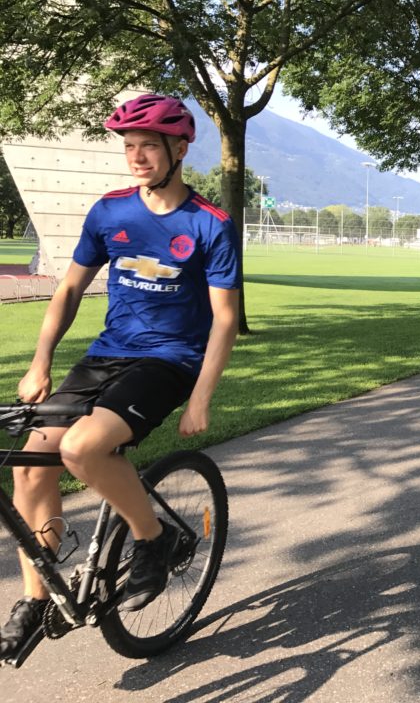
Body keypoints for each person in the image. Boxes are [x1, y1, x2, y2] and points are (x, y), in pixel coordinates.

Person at [0, 93, 242, 661]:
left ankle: (153, 538)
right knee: (30, 465)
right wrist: (40, 361)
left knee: (82, 448)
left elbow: (225, 318)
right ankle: (35, 599)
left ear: (179, 150)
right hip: (107, 355)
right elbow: (69, 289)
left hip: (169, 362)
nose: (136, 156)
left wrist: (201, 397)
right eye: (130, 146)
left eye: (149, 146)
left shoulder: (210, 224)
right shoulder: (110, 212)